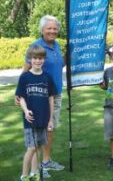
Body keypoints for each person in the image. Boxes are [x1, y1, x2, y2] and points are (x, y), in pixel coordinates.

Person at [16, 15, 65, 177]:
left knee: (50, 128)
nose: (52, 31)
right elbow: (26, 70)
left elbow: (58, 64)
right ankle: (42, 164)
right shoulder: (36, 47)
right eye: (49, 28)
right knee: (42, 131)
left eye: (55, 28)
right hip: (39, 96)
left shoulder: (57, 45)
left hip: (54, 94)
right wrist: (19, 94)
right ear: (42, 30)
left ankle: (45, 161)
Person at [16, 45, 55, 181]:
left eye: (40, 58)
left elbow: (51, 99)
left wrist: (50, 120)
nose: (37, 61)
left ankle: (35, 173)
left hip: (43, 119)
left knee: (38, 147)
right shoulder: (25, 77)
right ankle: (24, 176)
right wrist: (26, 111)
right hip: (30, 120)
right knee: (31, 148)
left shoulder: (47, 78)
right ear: (30, 59)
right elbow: (21, 98)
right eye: (35, 58)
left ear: (44, 59)